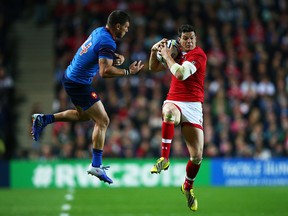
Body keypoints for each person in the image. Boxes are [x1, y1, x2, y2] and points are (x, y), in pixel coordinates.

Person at [31, 10, 144, 184]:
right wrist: (129, 71)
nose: (127, 31)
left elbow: (95, 50)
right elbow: (104, 71)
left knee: (83, 116)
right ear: (118, 26)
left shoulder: (100, 31)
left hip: (70, 77)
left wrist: (114, 57)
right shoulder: (107, 41)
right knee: (103, 121)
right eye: (126, 27)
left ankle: (44, 119)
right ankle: (96, 165)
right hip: (79, 83)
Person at [149, 24, 207, 211]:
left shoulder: (198, 55)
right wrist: (154, 51)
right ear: (180, 39)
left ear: (195, 39)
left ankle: (187, 187)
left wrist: (166, 56)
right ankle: (164, 158)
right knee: (168, 114)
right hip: (174, 100)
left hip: (193, 106)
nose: (189, 41)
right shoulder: (175, 51)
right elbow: (153, 68)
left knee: (197, 156)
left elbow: (181, 74)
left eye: (192, 38)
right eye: (185, 38)